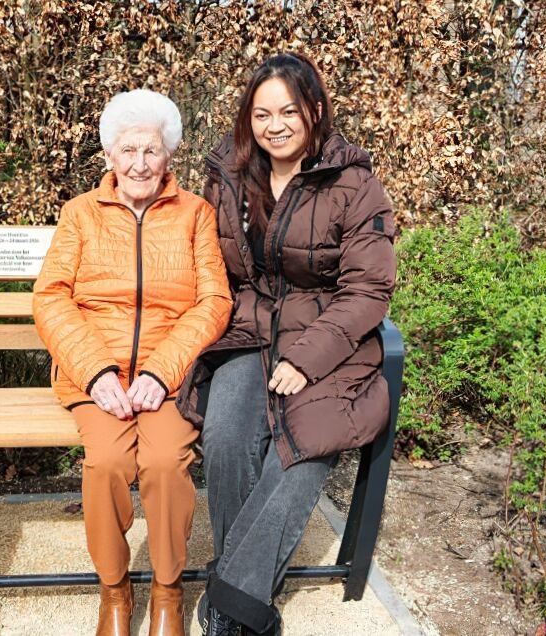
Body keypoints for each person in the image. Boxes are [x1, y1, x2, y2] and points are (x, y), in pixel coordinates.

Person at [178, 53, 397, 636]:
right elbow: (212, 272)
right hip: (248, 331)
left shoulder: (355, 184)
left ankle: (232, 605)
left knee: (305, 445)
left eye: (288, 112)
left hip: (328, 340)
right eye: (261, 113)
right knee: (225, 430)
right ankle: (242, 592)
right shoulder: (228, 175)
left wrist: (307, 357)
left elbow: (369, 288)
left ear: (315, 112)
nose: (274, 125)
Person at [33, 89, 231, 636]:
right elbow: (51, 298)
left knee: (167, 464)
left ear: (170, 156)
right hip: (92, 373)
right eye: (128, 150)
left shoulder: (196, 215)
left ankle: (168, 591)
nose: (139, 163)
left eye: (152, 150)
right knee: (107, 464)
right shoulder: (80, 214)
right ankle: (115, 592)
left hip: (169, 376)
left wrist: (161, 371)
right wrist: (96, 373)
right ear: (109, 155)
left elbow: (214, 301)